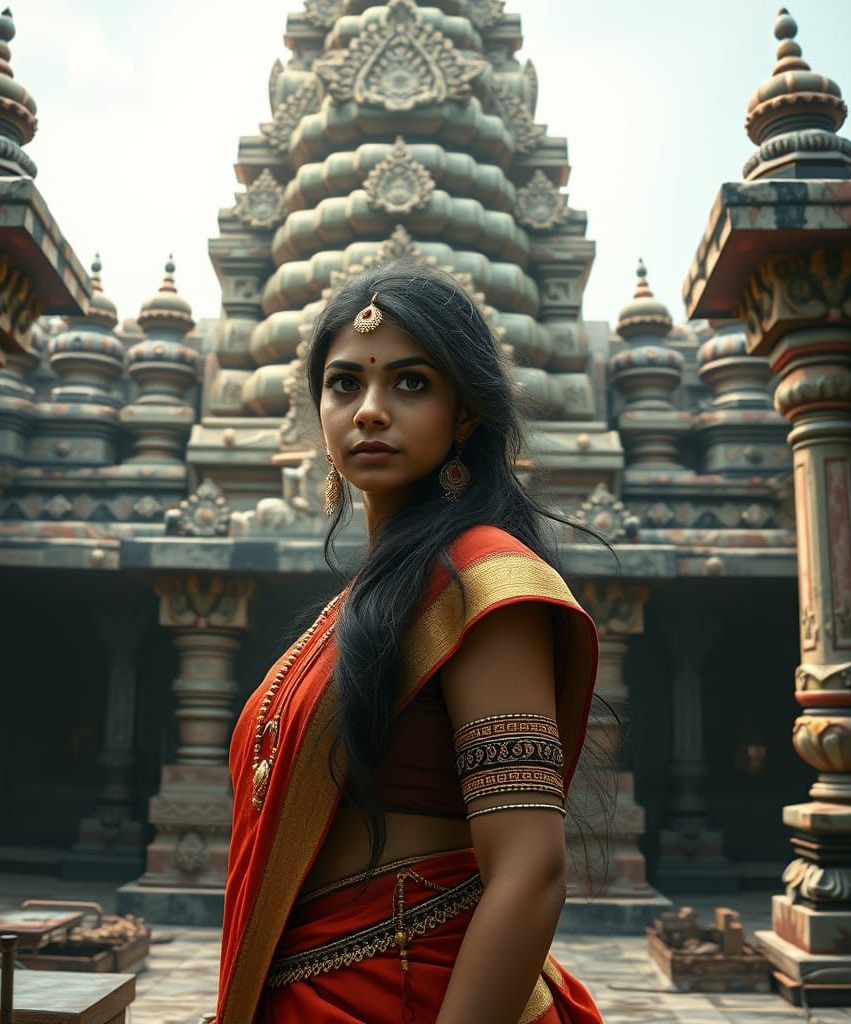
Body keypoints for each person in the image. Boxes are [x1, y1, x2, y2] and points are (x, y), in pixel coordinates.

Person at [212, 260, 604, 1024]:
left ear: (465, 414)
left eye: (411, 383)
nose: (369, 410)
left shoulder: (484, 583)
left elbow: (530, 871)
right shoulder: (362, 603)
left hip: (409, 997)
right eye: (344, 384)